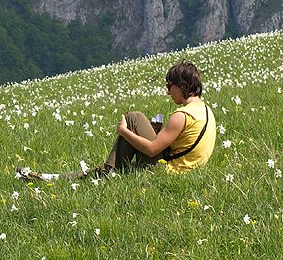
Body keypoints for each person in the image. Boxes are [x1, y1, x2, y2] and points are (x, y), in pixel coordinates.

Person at [17, 61, 216, 181]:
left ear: (181, 86)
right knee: (132, 128)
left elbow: (151, 150)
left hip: (168, 171)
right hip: (184, 169)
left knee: (132, 119)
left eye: (169, 86)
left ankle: (104, 173)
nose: (168, 92)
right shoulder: (205, 111)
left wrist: (124, 132)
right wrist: (161, 131)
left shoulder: (182, 115)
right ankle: (65, 176)